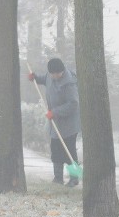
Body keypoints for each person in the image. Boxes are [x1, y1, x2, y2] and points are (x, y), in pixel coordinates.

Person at [28, 58, 81, 186]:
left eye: (57, 74)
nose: (54, 76)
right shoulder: (50, 76)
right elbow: (43, 79)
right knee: (56, 150)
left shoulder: (69, 83)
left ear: (62, 71)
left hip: (69, 124)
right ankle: (58, 178)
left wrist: (55, 112)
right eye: (52, 74)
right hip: (55, 124)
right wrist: (34, 77)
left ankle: (74, 178)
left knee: (69, 151)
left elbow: (73, 104)